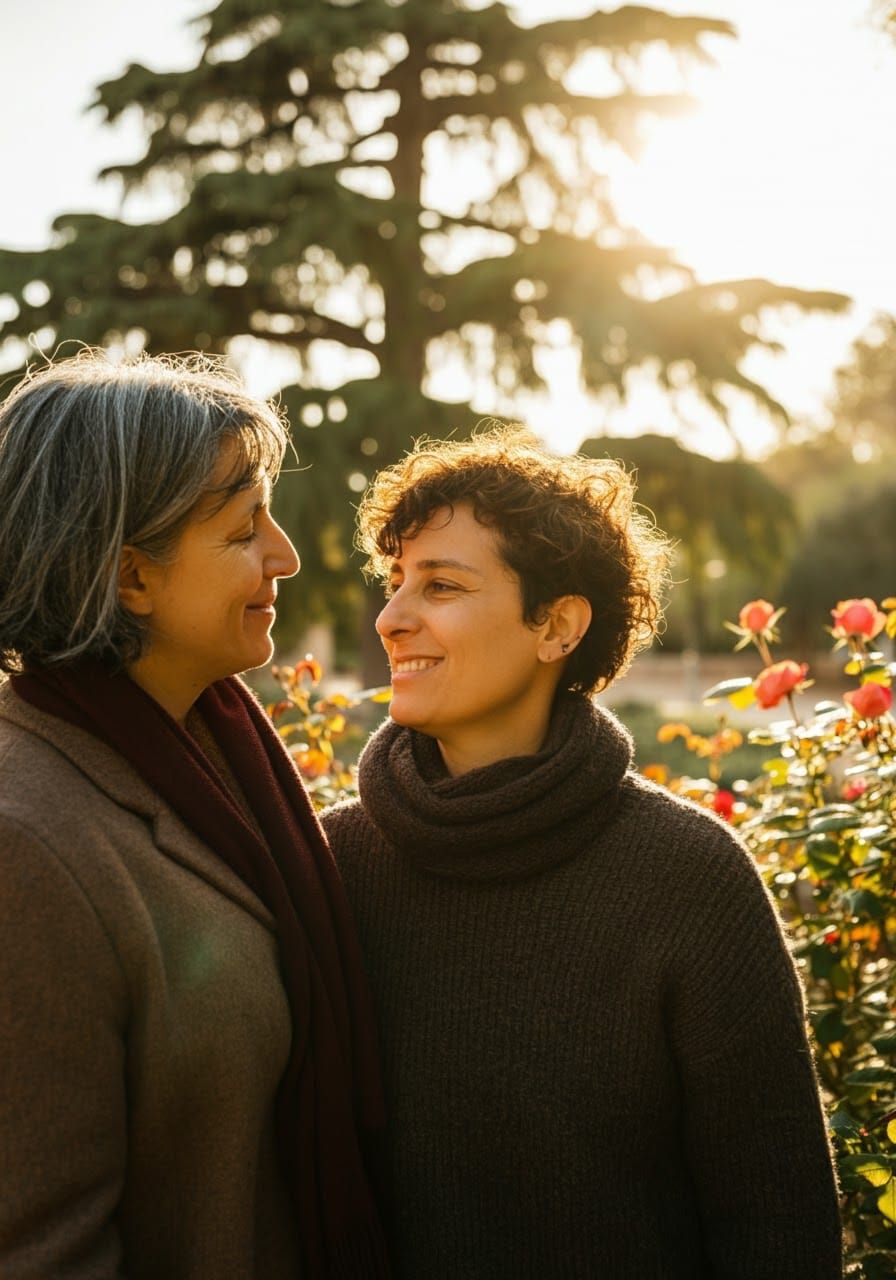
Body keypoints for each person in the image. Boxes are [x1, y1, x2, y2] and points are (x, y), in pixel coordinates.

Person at [322, 425, 843, 1278]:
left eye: (441, 585)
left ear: (557, 626)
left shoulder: (689, 878)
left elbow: (776, 1226)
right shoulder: (332, 865)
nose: (390, 618)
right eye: (395, 583)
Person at [0, 351, 389, 1280]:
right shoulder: (24, 841)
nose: (285, 556)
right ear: (132, 577)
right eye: (243, 529)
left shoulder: (216, 754)